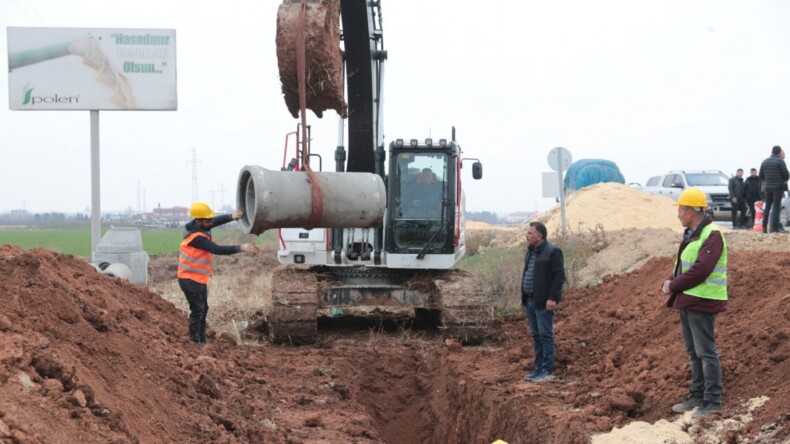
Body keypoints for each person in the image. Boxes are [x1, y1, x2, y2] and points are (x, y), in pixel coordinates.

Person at [662, 188, 727, 417]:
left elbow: (701, 270)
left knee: (705, 352)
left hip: (704, 300)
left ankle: (712, 400)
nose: (678, 214)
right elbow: (682, 265)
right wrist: (671, 279)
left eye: (680, 210)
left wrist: (674, 285)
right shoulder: (691, 235)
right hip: (689, 300)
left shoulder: (712, 234)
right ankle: (697, 395)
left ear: (690, 212)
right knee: (693, 352)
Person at [178, 202, 260, 344]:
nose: (211, 223)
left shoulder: (199, 225)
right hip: (189, 279)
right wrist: (241, 248)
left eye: (210, 219)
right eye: (207, 220)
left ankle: (201, 340)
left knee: (203, 308)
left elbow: (214, 222)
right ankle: (194, 342)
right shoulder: (196, 238)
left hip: (198, 278)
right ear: (198, 220)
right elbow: (217, 249)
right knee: (198, 310)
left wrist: (232, 216)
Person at [521, 221, 566, 382]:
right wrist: (524, 299)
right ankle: (538, 368)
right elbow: (527, 275)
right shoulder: (531, 252)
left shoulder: (552, 252)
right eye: (528, 232)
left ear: (540, 236)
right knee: (536, 336)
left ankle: (546, 370)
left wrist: (552, 298)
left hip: (544, 302)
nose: (527, 235)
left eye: (530, 233)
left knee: (545, 336)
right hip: (530, 301)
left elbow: (559, 276)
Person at [758, 145, 789, 234]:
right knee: (776, 207)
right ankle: (774, 228)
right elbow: (786, 175)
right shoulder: (780, 162)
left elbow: (761, 176)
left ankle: (764, 227)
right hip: (778, 188)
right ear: (779, 152)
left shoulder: (765, 162)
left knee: (767, 207)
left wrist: (768, 179)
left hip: (767, 188)